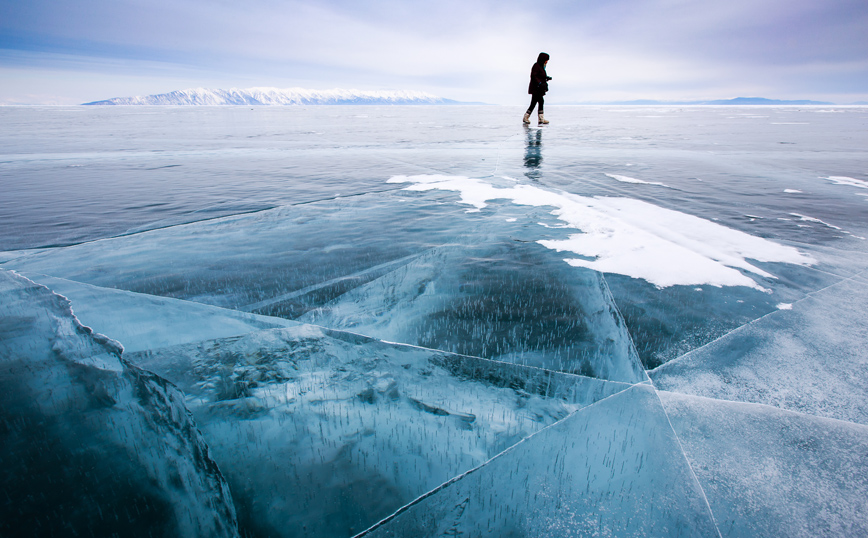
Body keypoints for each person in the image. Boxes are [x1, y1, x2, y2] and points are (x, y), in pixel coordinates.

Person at [524, 52, 552, 125]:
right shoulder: (536, 66)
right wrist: (539, 83)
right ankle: (538, 118)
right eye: (546, 60)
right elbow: (533, 76)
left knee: (535, 103)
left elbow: (540, 75)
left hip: (539, 88)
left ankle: (536, 118)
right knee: (538, 102)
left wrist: (546, 78)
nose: (547, 61)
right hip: (536, 88)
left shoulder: (542, 66)